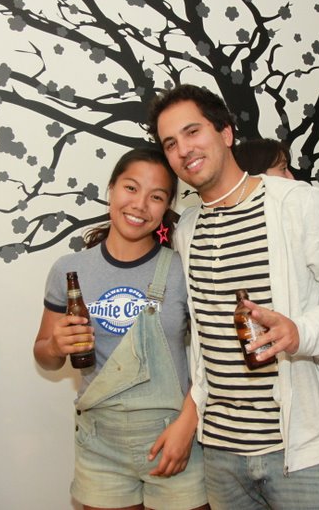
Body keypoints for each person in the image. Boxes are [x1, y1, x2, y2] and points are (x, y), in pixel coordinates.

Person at [146, 84, 319, 509]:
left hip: (300, 449)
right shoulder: (187, 230)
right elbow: (203, 340)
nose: (183, 149)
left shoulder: (295, 202)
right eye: (170, 143)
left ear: (226, 132)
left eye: (192, 132)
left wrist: (301, 332)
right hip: (221, 454)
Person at [33, 148, 208, 510]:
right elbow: (44, 357)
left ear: (167, 206)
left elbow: (214, 356)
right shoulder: (69, 270)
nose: (140, 205)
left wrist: (188, 424)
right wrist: (55, 346)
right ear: (111, 189)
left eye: (156, 196)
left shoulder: (182, 269)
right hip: (100, 446)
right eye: (131, 188)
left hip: (173, 438)